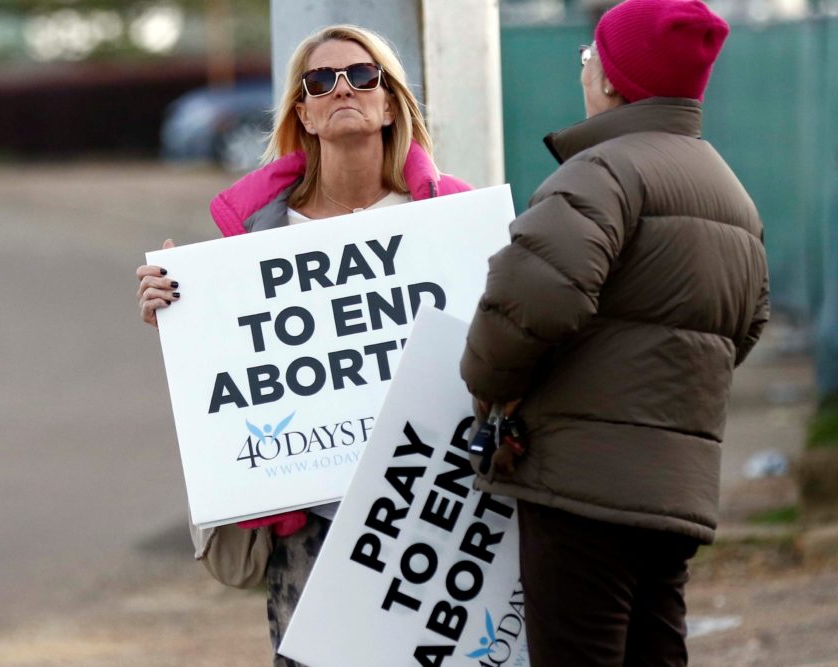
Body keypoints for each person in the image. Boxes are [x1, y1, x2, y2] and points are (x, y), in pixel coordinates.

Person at [137, 24, 470, 666]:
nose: (343, 87)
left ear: (390, 101)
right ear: (304, 114)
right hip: (314, 525)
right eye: (322, 81)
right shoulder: (256, 239)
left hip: (437, 510)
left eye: (362, 75)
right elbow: (234, 364)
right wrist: (177, 311)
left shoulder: (449, 216)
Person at [459, 1, 769, 665]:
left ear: (614, 79)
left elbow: (535, 296)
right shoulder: (732, 195)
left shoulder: (601, 173)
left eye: (587, 57)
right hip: (673, 493)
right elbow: (744, 328)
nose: (583, 71)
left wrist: (493, 388)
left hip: (581, 485)